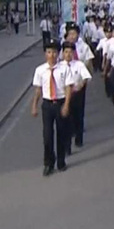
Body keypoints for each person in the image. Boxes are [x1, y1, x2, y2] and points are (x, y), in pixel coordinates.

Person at [31, 40, 74, 176]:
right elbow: (38, 89)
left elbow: (68, 88)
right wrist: (34, 106)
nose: (52, 55)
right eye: (49, 52)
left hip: (60, 103)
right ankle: (48, 163)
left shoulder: (64, 69)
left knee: (61, 133)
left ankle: (61, 161)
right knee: (47, 135)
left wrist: (66, 104)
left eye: (54, 52)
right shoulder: (40, 70)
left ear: (58, 53)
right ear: (45, 54)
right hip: (47, 105)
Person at [61, 41, 92, 151]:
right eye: (66, 52)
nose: (68, 54)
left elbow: (86, 77)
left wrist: (81, 85)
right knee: (66, 120)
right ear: (63, 53)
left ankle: (79, 139)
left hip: (77, 94)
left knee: (78, 117)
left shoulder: (79, 64)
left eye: (70, 52)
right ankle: (67, 145)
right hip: (65, 95)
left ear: (74, 53)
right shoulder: (59, 66)